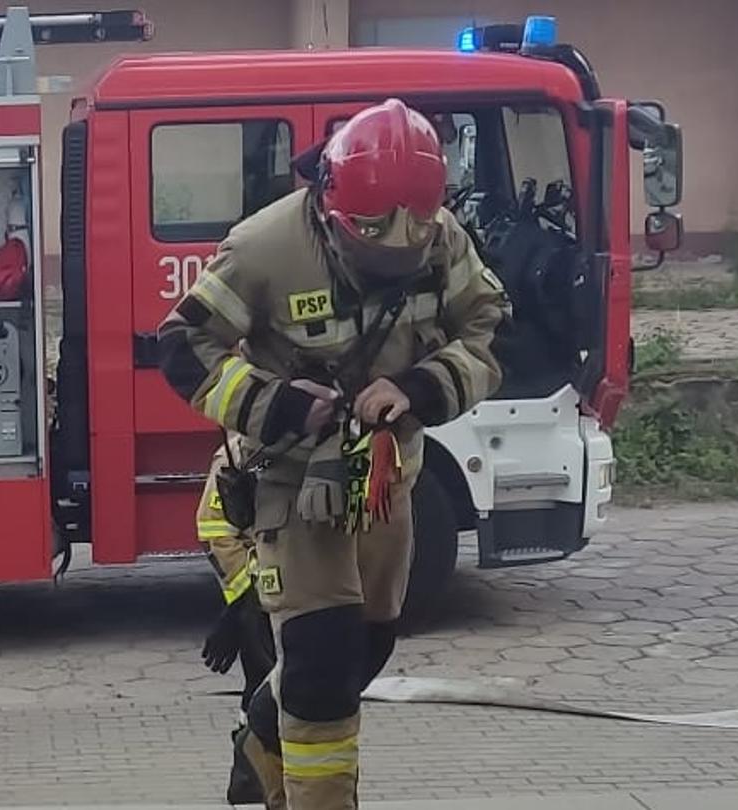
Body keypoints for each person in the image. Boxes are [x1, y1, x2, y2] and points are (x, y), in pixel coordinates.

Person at [156, 99, 507, 810]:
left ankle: (261, 733)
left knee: (365, 649)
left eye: (404, 251)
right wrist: (276, 404)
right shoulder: (265, 247)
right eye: (371, 249)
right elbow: (181, 347)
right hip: (290, 479)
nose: (390, 261)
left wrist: (417, 388)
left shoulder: (441, 240)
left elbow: (488, 333)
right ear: (330, 203)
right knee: (318, 664)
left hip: (385, 480)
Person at [197, 444, 279, 807]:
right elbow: (215, 529)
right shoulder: (240, 452)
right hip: (267, 602)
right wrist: (245, 601)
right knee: (262, 688)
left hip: (320, 600)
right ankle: (251, 777)